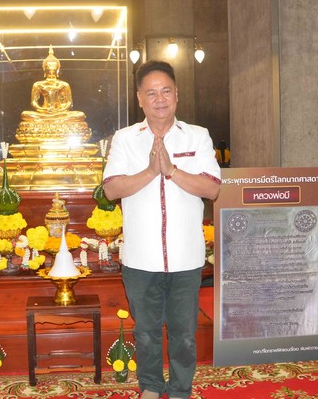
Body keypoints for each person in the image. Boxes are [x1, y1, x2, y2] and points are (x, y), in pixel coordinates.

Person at [103, 60, 221, 399]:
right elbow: (111, 189)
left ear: (176, 95)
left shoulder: (197, 136)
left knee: (184, 332)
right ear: (140, 99)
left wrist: (171, 170)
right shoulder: (125, 140)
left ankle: (181, 389)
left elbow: (211, 188)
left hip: (186, 258)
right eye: (151, 93)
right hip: (141, 258)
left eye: (165, 91)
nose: (159, 99)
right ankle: (151, 387)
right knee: (147, 333)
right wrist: (151, 171)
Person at [20, 47, 87, 122]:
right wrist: (43, 109)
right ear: (44, 68)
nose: (51, 68)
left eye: (53, 66)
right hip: (44, 112)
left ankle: (50, 120)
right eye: (49, 66)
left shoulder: (64, 84)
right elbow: (34, 102)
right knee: (25, 114)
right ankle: (53, 119)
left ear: (57, 69)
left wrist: (59, 110)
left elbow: (69, 103)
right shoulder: (38, 84)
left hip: (60, 112)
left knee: (80, 115)